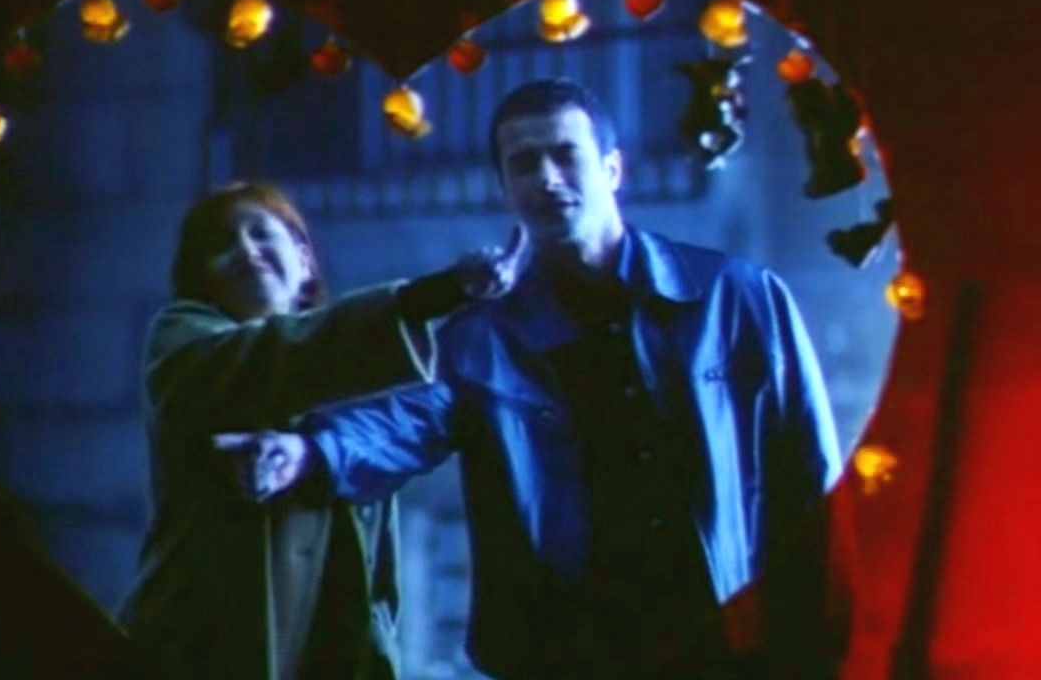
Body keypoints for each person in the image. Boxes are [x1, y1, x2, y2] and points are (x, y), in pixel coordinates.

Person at [223, 78, 847, 679]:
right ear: (506, 188)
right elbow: (410, 417)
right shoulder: (485, 338)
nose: (546, 178)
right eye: (524, 164)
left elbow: (811, 477)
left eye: (565, 155)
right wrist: (309, 450)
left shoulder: (734, 297)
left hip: (725, 644)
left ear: (612, 170)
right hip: (574, 653)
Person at [116, 181, 525, 680]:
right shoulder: (181, 342)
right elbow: (275, 359)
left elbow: (374, 567)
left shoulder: (360, 372)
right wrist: (428, 296)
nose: (246, 250)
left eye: (261, 233)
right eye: (222, 244)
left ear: (304, 259)